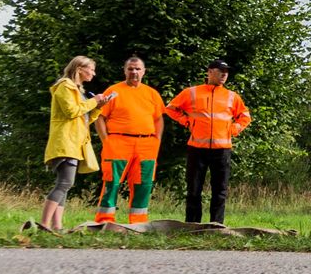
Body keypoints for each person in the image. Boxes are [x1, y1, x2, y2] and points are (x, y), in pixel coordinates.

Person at [165, 58, 251, 225]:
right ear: (210, 72)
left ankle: (216, 225)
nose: (224, 75)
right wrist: (187, 122)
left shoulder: (232, 96)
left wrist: (233, 129)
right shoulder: (192, 92)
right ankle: (192, 225)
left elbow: (245, 117)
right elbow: (170, 108)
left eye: (226, 72)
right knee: (194, 190)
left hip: (222, 149)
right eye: (220, 71)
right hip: (197, 148)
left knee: (220, 191)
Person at [93, 55, 166, 225]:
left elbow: (158, 119)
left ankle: (138, 222)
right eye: (130, 69)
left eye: (137, 69)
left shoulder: (152, 93)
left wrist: (157, 140)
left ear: (144, 71)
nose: (134, 72)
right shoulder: (113, 91)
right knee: (112, 182)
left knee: (144, 184)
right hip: (118, 142)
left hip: (147, 144)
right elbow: (99, 117)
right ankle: (105, 220)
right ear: (125, 71)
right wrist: (106, 140)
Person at [40, 56, 103, 231]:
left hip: (74, 143)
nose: (93, 73)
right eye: (91, 69)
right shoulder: (65, 86)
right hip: (65, 141)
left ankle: (57, 225)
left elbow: (83, 120)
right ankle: (44, 224)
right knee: (65, 183)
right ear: (79, 69)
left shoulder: (77, 90)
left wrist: (97, 107)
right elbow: (71, 112)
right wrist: (94, 101)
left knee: (65, 183)